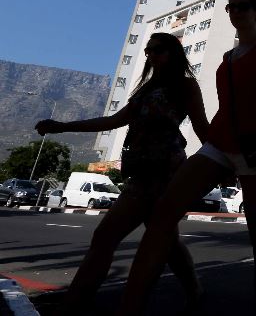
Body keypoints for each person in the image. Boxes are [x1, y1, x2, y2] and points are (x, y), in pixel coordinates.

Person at [116, 0, 256, 316]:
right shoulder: (226, 58)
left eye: (242, 7)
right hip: (219, 142)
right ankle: (131, 305)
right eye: (231, 7)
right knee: (165, 210)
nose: (235, 12)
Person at [34, 32, 209, 315]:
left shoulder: (185, 86)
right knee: (165, 241)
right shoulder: (146, 90)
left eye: (157, 50)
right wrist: (62, 127)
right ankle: (195, 291)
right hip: (141, 172)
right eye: (148, 51)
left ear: (173, 53)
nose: (150, 55)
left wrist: (222, 162)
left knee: (109, 236)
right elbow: (114, 120)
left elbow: (201, 126)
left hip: (165, 174)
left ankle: (76, 301)